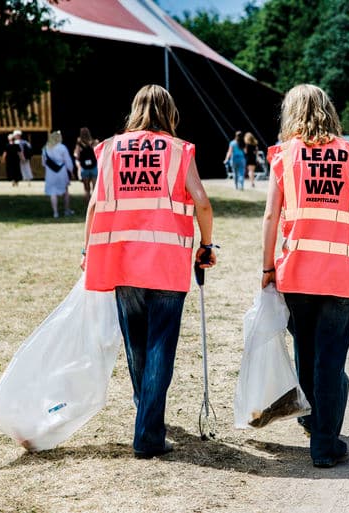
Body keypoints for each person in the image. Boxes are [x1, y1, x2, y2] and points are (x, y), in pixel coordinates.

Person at [82, 84, 215, 458]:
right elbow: (202, 201)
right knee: (160, 346)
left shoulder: (110, 148)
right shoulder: (178, 150)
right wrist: (206, 244)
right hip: (167, 262)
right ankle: (149, 431)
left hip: (122, 259)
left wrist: (86, 249)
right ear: (170, 113)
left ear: (134, 110)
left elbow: (94, 206)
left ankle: (147, 414)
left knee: (135, 343)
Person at [261, 84, 349, 469]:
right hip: (342, 274)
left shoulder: (284, 156)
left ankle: (315, 423)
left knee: (306, 354)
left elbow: (269, 217)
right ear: (329, 110)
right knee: (330, 360)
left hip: (296, 271)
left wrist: (266, 267)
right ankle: (325, 444)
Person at [42, 130, 74, 218]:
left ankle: (55, 213)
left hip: (50, 173)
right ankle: (67, 210)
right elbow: (68, 161)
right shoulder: (62, 147)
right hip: (61, 172)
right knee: (65, 191)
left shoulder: (45, 148)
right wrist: (71, 171)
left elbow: (43, 163)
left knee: (53, 192)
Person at [73, 127, 99, 204]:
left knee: (86, 189)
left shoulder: (79, 144)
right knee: (94, 188)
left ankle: (88, 205)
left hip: (84, 168)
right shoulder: (94, 142)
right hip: (94, 167)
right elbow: (98, 152)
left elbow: (76, 155)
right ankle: (95, 204)